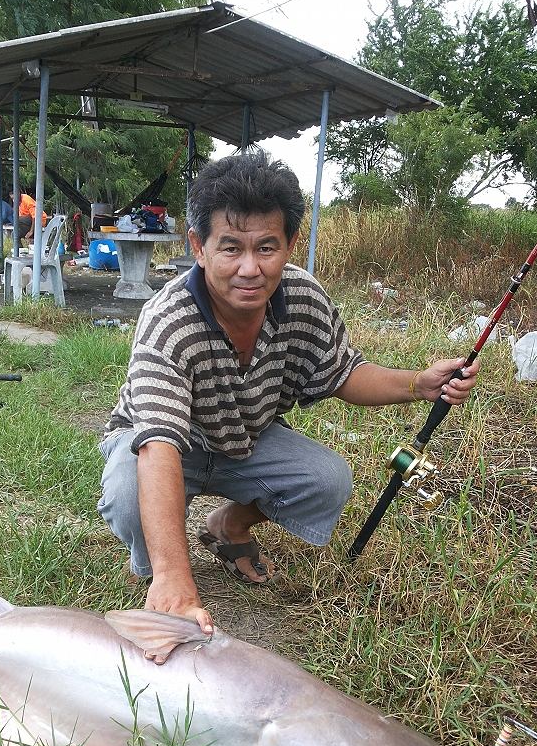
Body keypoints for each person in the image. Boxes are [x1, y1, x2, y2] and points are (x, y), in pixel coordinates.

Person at [98, 153, 480, 634]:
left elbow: (343, 373)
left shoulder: (304, 297)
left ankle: (229, 525)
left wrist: (417, 384)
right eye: (230, 248)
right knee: (129, 493)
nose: (250, 268)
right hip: (164, 445)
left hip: (246, 439)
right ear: (198, 246)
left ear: (290, 244)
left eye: (266, 248)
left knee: (327, 479)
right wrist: (178, 577)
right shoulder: (166, 320)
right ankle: (158, 575)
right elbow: (157, 444)